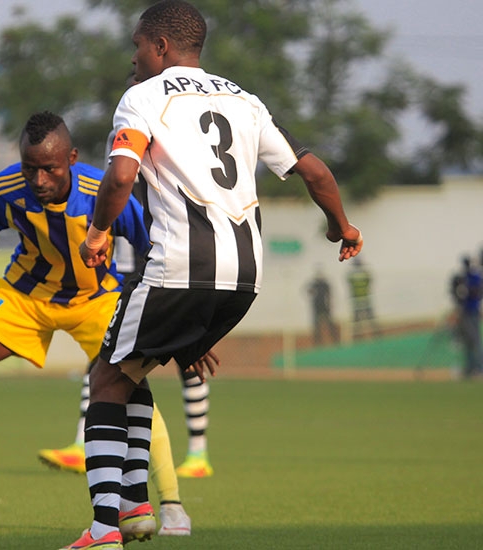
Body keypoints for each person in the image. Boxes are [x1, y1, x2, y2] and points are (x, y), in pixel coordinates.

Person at [63, 2, 363, 548]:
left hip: (181, 266)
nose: (132, 58)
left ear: (159, 46)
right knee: (132, 371)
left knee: (105, 378)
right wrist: (342, 226)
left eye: (137, 45)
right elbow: (314, 171)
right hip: (244, 279)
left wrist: (98, 232)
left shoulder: (143, 97)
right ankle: (133, 509)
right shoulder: (245, 101)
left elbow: (121, 175)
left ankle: (105, 526)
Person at [0, 111, 192, 535]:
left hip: (96, 299)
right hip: (25, 297)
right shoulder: (2, 191)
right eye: (29, 167)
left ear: (71, 158)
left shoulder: (103, 191)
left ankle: (171, 504)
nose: (38, 180)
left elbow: (151, 247)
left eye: (49, 169)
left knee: (132, 389)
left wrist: (161, 313)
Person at [39, 76, 214, 480]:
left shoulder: (170, 167)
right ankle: (86, 441)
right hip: (129, 278)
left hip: (171, 272)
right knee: (107, 360)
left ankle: (198, 454)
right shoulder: (121, 161)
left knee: (188, 359)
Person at [451, 255, 482, 378]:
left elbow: (478, 292)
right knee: (468, 342)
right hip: (464, 313)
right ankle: (469, 369)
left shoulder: (475, 277)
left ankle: (479, 368)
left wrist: (467, 290)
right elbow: (458, 293)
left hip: (473, 312)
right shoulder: (463, 278)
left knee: (475, 341)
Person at [347, 257, 379, 339]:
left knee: (359, 320)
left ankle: (358, 337)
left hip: (358, 299)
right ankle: (376, 335)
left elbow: (349, 284)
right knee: (368, 319)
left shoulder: (351, 275)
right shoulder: (365, 273)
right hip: (364, 298)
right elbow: (369, 282)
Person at [307, 267, 339, 345]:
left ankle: (335, 339)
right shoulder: (313, 284)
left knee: (329, 324)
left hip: (324, 307)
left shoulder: (325, 284)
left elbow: (329, 295)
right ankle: (318, 341)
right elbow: (308, 291)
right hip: (317, 307)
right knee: (317, 326)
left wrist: (329, 304)